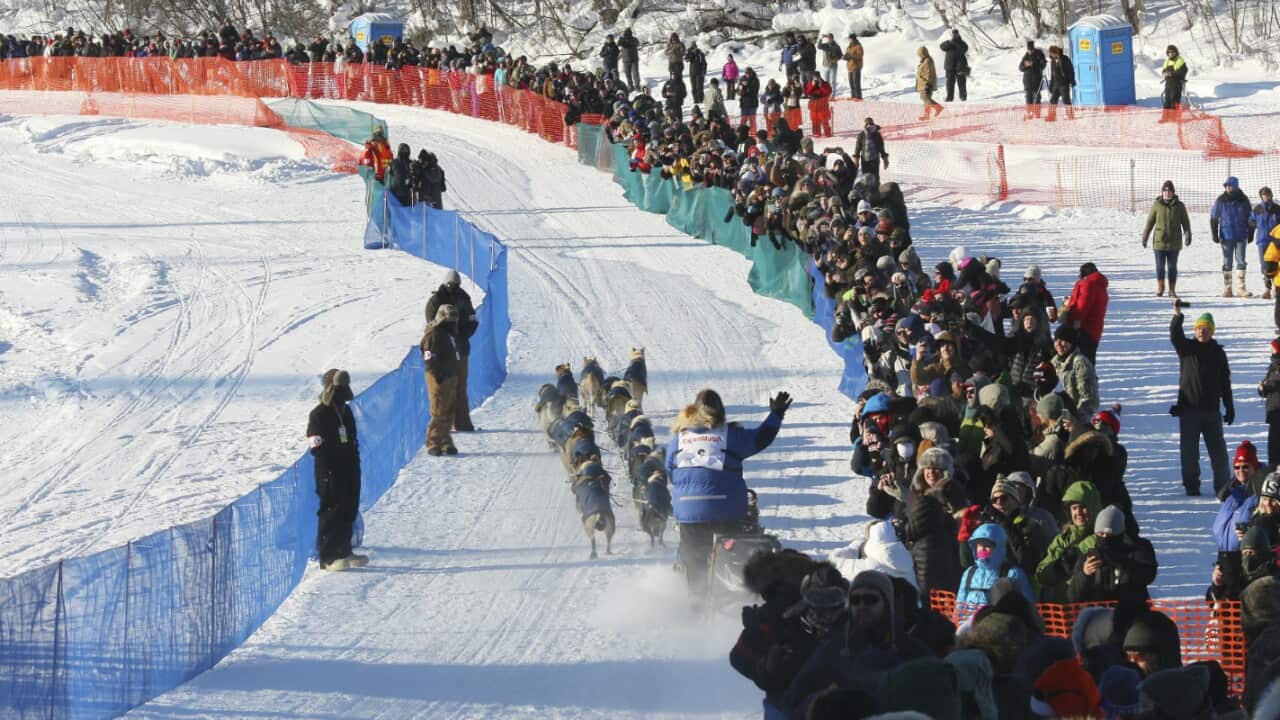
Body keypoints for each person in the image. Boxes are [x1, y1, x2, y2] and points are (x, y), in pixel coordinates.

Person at [666, 389, 791, 596]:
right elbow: (761, 437)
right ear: (721, 412)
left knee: (693, 557)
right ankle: (735, 584)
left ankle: (696, 600)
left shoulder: (677, 441)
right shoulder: (730, 436)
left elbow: (671, 473)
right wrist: (776, 414)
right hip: (727, 513)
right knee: (736, 547)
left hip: (690, 515)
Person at [307, 369, 367, 571]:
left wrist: (354, 463)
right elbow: (316, 447)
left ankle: (344, 550)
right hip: (330, 472)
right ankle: (328, 557)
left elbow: (352, 438)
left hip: (349, 467)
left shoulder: (345, 411)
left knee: (349, 508)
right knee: (331, 511)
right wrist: (331, 468)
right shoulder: (318, 414)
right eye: (338, 389)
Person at [1171, 305, 1234, 496]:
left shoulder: (1218, 353)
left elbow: (1225, 382)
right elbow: (1175, 336)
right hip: (1189, 410)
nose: (1202, 331)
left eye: (1206, 328)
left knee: (1219, 454)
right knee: (1189, 453)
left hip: (1212, 412)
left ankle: (1223, 487)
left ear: (1212, 331)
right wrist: (1177, 316)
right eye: (1199, 328)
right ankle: (1191, 486)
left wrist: (1229, 407)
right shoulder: (1187, 349)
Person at [1066, 505, 1158, 605]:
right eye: (1101, 534)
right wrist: (1084, 574)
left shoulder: (1135, 553)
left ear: (1119, 534)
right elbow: (1073, 597)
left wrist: (1120, 562)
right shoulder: (1089, 558)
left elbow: (1148, 574)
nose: (1105, 538)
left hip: (1129, 610)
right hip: (1097, 612)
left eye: (1110, 534)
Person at [425, 270, 478, 433]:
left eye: (456, 284)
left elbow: (473, 321)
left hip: (461, 349)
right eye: (450, 284)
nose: (453, 287)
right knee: (442, 388)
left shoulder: (464, 298)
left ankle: (462, 422)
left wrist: (461, 335)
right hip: (442, 351)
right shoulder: (435, 300)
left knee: (460, 385)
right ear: (445, 283)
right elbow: (430, 323)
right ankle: (443, 425)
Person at [420, 304, 461, 457]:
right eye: (449, 321)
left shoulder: (448, 334)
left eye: (454, 321)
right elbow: (428, 357)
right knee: (438, 410)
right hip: (438, 375)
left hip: (450, 374)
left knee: (449, 410)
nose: (452, 323)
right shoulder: (433, 335)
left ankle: (445, 441)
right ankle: (433, 442)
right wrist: (436, 373)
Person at [1142, 179, 1192, 298]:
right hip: (1159, 242)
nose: (1167, 193)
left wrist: (1188, 235)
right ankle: (1160, 287)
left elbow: (1185, 223)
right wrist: (1145, 236)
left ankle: (1172, 289)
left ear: (1173, 192)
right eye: (1164, 190)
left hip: (1174, 242)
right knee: (1160, 267)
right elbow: (1150, 222)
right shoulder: (1157, 205)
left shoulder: (1179, 206)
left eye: (1169, 191)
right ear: (1162, 192)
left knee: (1172, 267)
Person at [1211, 176, 1255, 297]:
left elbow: (1251, 217)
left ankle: (1241, 288)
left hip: (1241, 235)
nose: (1228, 188)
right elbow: (1214, 217)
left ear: (1235, 186)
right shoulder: (1221, 200)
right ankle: (1228, 288)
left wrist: (1251, 232)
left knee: (1241, 261)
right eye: (1226, 186)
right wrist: (1214, 233)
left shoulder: (1244, 200)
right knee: (1227, 262)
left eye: (1230, 185)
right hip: (1226, 236)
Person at [1060, 261, 1109, 362]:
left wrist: (1075, 319)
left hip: (1084, 329)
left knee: (1080, 361)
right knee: (1088, 361)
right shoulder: (1100, 286)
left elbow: (1082, 305)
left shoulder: (1088, 284)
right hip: (1095, 329)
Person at [1254, 187, 1280, 299]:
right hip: (1262, 241)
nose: (1266, 196)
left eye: (1268, 194)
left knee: (1275, 264)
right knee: (1265, 266)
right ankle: (1267, 289)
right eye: (1264, 195)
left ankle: (1276, 288)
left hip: (1275, 242)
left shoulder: (1277, 209)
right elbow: (1252, 220)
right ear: (1261, 196)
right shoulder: (1258, 209)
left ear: (1271, 195)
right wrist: (1250, 227)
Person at [1262, 339, 1280, 464]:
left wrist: (1268, 386)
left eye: (1273, 348)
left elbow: (1274, 383)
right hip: (1273, 414)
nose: (1271, 350)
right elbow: (1268, 384)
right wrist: (1262, 389)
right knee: (1273, 455)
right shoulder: (1273, 365)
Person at [939, 29, 969, 102]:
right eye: (953, 34)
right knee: (949, 83)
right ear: (951, 35)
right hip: (950, 67)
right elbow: (942, 47)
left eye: (956, 34)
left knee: (962, 83)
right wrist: (949, 42)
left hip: (960, 66)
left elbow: (965, 49)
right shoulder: (949, 43)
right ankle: (949, 98)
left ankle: (963, 97)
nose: (955, 35)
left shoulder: (962, 43)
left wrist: (957, 42)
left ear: (958, 34)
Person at [1046, 45, 1075, 117]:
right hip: (1055, 85)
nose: (1051, 55)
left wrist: (1072, 81)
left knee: (1066, 100)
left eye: (1052, 53)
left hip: (1064, 84)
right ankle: (1051, 115)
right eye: (1050, 54)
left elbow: (1071, 71)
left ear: (1055, 52)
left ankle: (1070, 115)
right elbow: (1052, 74)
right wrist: (1051, 86)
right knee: (1053, 100)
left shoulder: (1065, 59)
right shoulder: (1052, 61)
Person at [915, 46, 942, 121]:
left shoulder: (927, 61)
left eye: (920, 54)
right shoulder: (925, 60)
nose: (919, 56)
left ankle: (937, 108)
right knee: (925, 99)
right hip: (923, 84)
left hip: (926, 84)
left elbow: (928, 74)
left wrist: (927, 84)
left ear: (923, 53)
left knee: (926, 99)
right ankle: (928, 114)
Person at [1019, 40, 1047, 109]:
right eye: (1029, 50)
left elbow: (1043, 64)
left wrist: (1037, 64)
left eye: (1031, 50)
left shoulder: (1039, 54)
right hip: (1027, 80)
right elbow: (1020, 68)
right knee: (1028, 97)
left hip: (1037, 80)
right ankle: (1029, 112)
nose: (1030, 52)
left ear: (1033, 48)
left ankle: (1037, 112)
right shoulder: (1026, 56)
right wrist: (1025, 65)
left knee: (1037, 97)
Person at [1161, 45, 1188, 111]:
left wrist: (1171, 74)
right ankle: (1166, 116)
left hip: (1176, 84)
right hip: (1168, 84)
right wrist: (1164, 73)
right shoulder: (1167, 61)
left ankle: (1175, 116)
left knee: (1174, 102)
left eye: (1172, 52)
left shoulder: (1180, 61)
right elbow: (1164, 70)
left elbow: (1183, 71)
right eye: (1169, 52)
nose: (1171, 53)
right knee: (1167, 102)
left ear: (1176, 52)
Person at [685, 41, 707, 105]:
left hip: (700, 72)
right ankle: (695, 100)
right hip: (692, 73)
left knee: (699, 87)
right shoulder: (689, 53)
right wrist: (690, 52)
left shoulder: (700, 53)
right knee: (693, 88)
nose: (694, 48)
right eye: (692, 47)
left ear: (696, 46)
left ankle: (701, 100)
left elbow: (704, 63)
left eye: (694, 46)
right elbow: (686, 60)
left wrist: (704, 71)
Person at [844, 35, 864, 99]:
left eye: (850, 39)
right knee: (851, 83)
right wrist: (845, 57)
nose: (849, 40)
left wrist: (852, 56)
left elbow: (860, 55)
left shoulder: (858, 46)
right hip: (850, 66)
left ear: (854, 39)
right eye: (849, 39)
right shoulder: (849, 47)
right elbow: (847, 54)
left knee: (856, 83)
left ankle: (858, 97)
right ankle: (853, 96)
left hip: (856, 66)